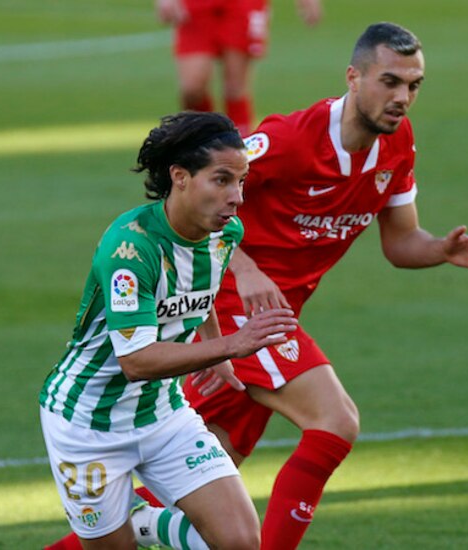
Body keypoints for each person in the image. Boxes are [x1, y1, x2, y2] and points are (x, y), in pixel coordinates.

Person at [47, 21, 468, 550]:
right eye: (390, 82)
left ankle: (137, 525)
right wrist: (244, 269)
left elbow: (401, 244)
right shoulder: (289, 140)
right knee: (335, 420)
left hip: (254, 325)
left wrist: (440, 250)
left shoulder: (396, 148)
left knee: (209, 491)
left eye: (414, 85)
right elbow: (212, 184)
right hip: (239, 311)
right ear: (354, 77)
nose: (403, 97)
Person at [38, 111, 298, 550]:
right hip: (87, 424)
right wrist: (232, 346)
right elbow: (136, 361)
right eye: (221, 180)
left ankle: (143, 521)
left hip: (163, 414)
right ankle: (140, 524)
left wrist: (213, 346)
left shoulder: (223, 232)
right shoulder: (132, 248)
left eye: (241, 181)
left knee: (241, 542)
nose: (236, 197)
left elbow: (202, 290)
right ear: (180, 176)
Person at [154, 0, 323, 134]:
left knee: (235, 87)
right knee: (192, 88)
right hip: (195, 5)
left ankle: (240, 152)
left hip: (242, 4)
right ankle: (204, 137)